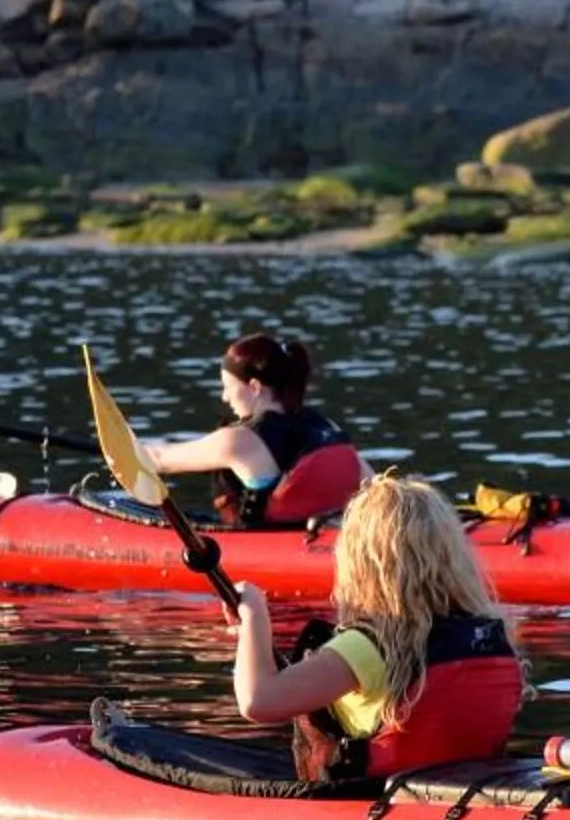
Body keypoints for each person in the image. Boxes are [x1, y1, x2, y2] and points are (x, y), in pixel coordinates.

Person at [228, 475, 528, 783]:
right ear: (452, 555)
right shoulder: (491, 637)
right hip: (463, 793)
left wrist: (255, 616)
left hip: (376, 805)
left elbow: (258, 701)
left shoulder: (367, 647)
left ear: (361, 564)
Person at [143, 332, 365, 527]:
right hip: (328, 543)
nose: (224, 397)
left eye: (228, 387)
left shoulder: (240, 441)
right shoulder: (327, 427)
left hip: (263, 557)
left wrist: (117, 448)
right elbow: (375, 487)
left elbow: (160, 459)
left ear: (255, 387)